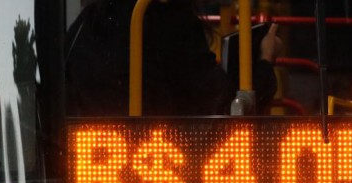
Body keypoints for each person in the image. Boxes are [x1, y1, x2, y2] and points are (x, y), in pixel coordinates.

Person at [65, 0, 283, 116]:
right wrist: (265, 59)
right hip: (161, 174)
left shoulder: (85, 24)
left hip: (91, 176)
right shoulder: (171, 23)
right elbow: (224, 107)